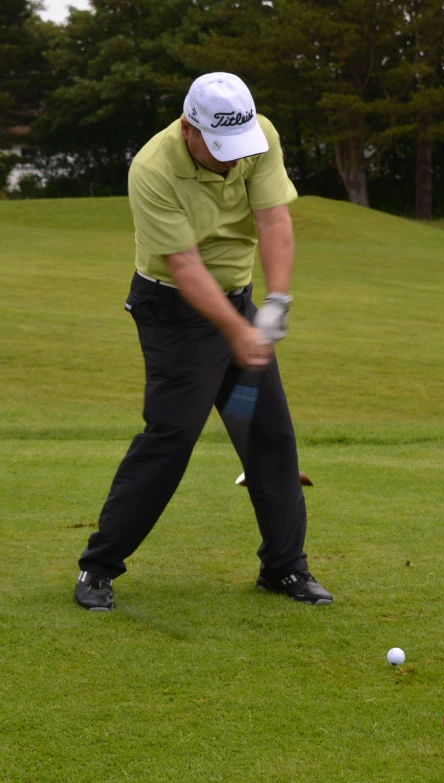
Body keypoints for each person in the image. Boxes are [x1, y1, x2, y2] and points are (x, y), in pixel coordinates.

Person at [75, 72, 332, 611]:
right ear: (190, 129)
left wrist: (275, 303)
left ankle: (284, 569)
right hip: (173, 309)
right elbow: (186, 266)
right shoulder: (152, 168)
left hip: (237, 298)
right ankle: (97, 569)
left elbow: (274, 221)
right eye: (220, 150)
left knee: (269, 435)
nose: (232, 162)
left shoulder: (256, 138)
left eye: (238, 150)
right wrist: (238, 331)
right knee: (172, 436)